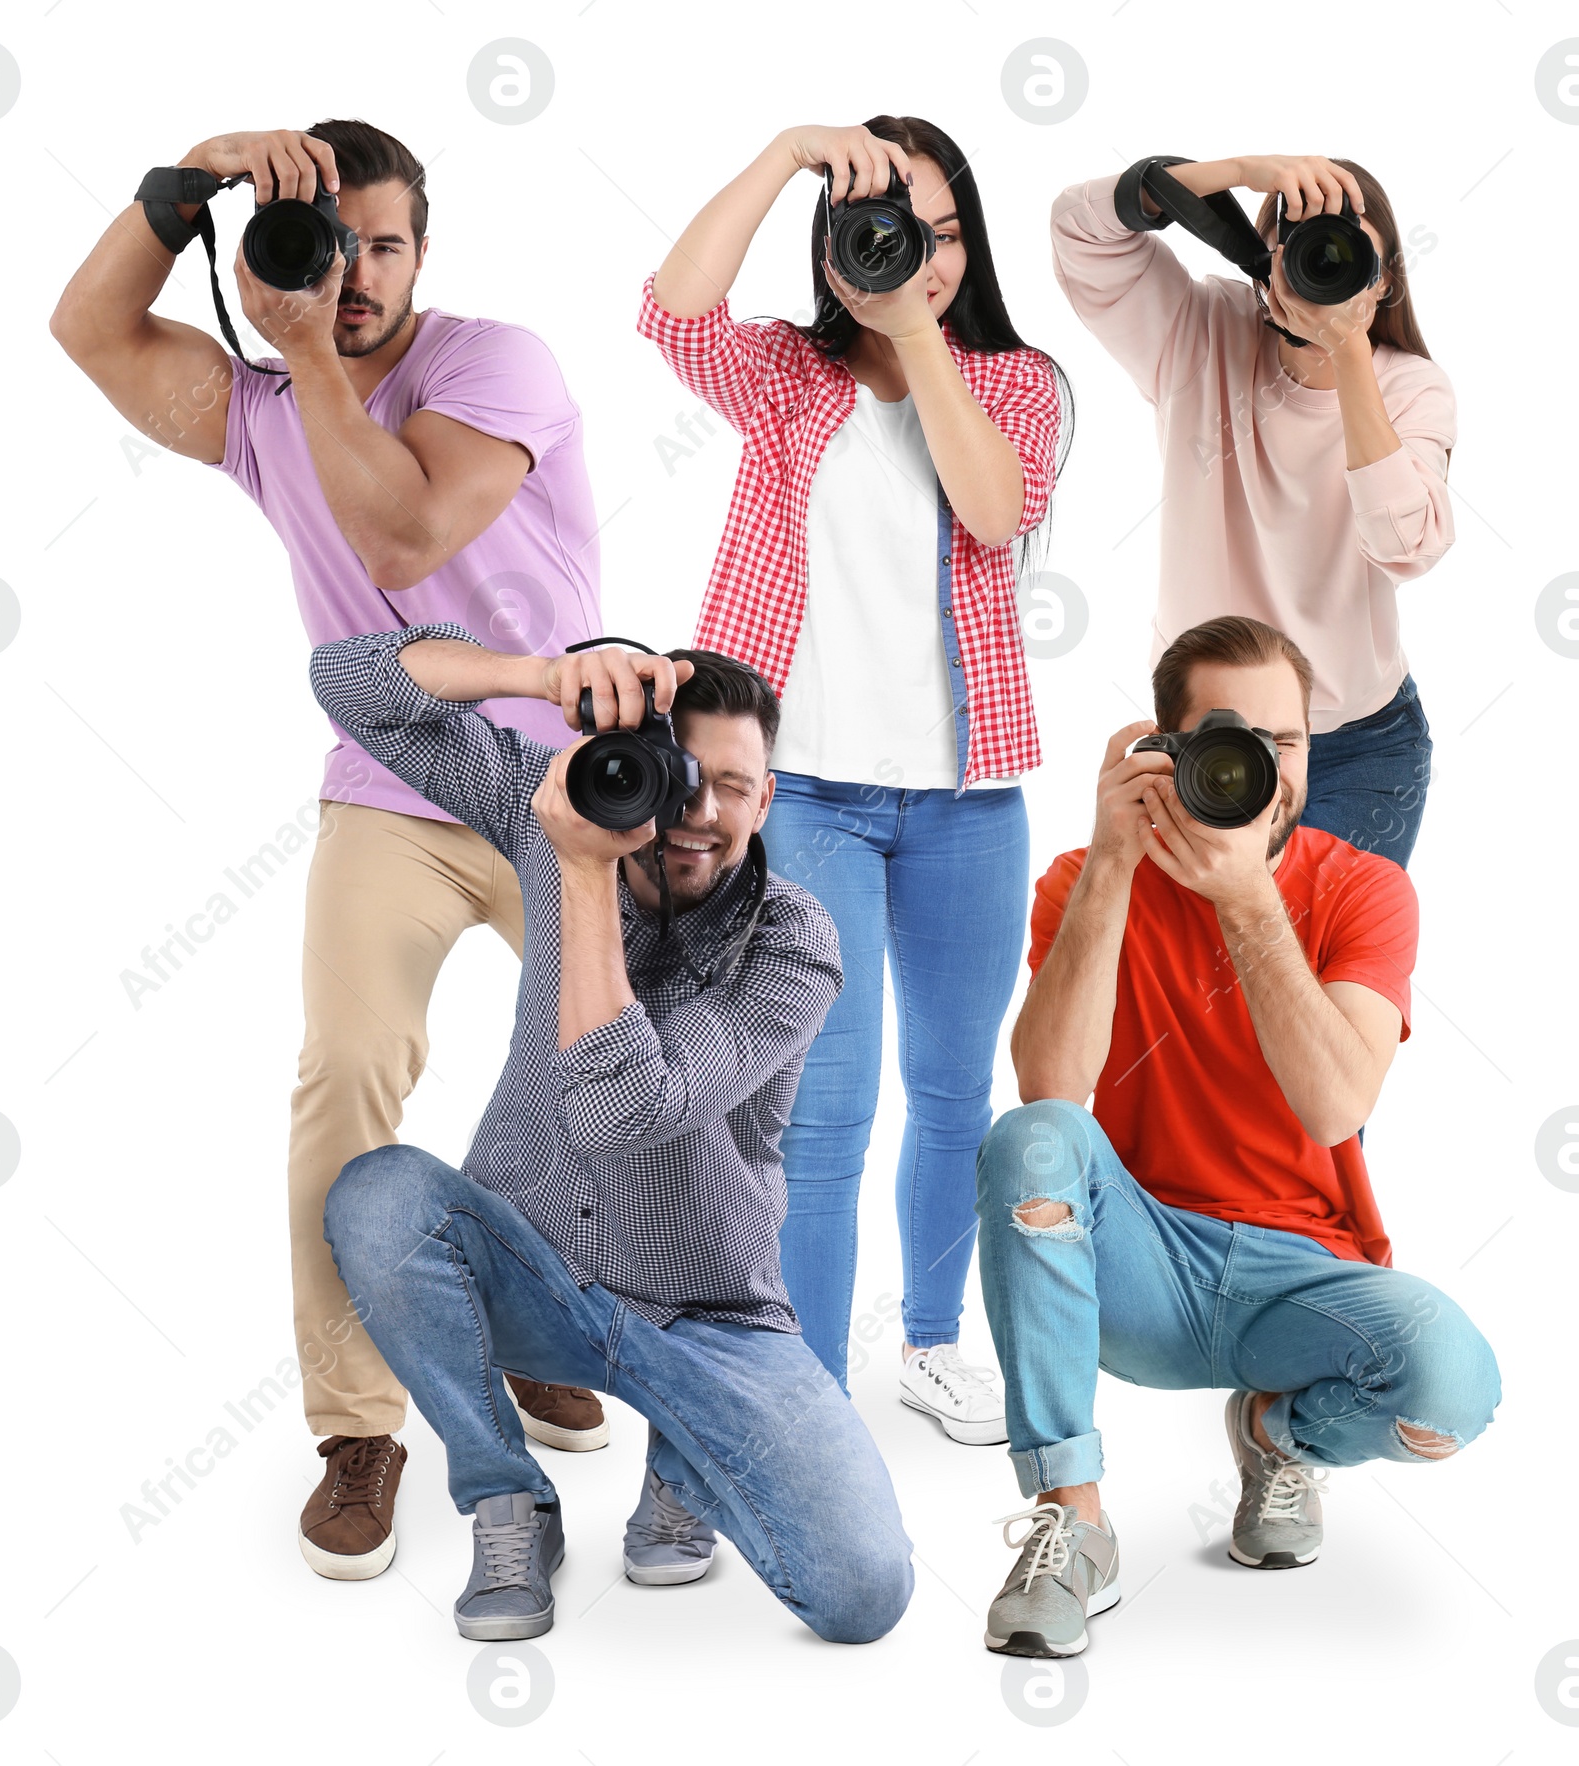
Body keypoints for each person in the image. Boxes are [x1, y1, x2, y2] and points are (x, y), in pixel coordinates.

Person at [49, 118, 611, 1580]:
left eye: (383, 244)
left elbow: (410, 533)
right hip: (393, 778)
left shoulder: (499, 363)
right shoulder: (253, 406)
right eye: (324, 245)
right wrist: (175, 187)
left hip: (563, 777)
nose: (352, 274)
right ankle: (359, 1427)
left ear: (426, 251)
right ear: (266, 258)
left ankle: (534, 1319)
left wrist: (301, 356)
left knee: (608, 1067)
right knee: (348, 1068)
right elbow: (86, 325)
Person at [308, 623, 915, 1645]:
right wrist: (537, 676)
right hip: (532, 1272)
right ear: (625, 764)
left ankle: (684, 1451)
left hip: (709, 1316)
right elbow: (347, 683)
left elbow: (622, 1109)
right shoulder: (545, 810)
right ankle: (507, 1498)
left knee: (864, 1592)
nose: (700, 813)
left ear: (766, 799)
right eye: (679, 777)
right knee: (377, 1194)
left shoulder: (792, 939)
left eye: (735, 784)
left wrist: (583, 874)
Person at [638, 117, 1071, 1439]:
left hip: (966, 799)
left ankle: (935, 1343)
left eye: (939, 234)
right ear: (831, 250)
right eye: (885, 233)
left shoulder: (1016, 381)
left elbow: (995, 510)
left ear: (968, 243)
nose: (914, 259)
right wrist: (781, 159)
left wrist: (917, 326)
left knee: (954, 1093)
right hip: (805, 789)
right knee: (821, 1109)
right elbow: (670, 308)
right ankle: (806, 1395)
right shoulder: (780, 375)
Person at [976, 615, 1499, 1660]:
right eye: (1225, 734)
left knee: (1450, 1388)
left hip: (1300, 1280)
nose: (1256, 761)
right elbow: (1052, 1087)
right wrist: (1115, 866)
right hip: (1139, 1267)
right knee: (1026, 1135)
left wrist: (1246, 896)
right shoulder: (1086, 877)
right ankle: (1072, 1519)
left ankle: (1275, 1432)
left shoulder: (1361, 887)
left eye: (1284, 738)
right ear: (1163, 747)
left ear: (1307, 748)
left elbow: (1335, 1104)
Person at [1052, 154, 1452, 868]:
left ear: (1384, 277)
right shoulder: (1200, 328)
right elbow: (1079, 230)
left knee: (1321, 974)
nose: (1321, 262)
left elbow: (1408, 546)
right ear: (1264, 265)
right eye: (1302, 245)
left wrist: (1350, 356)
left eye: (1345, 250)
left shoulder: (1411, 387)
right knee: (1210, 965)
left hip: (1358, 744)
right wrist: (1241, 171)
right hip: (1210, 725)